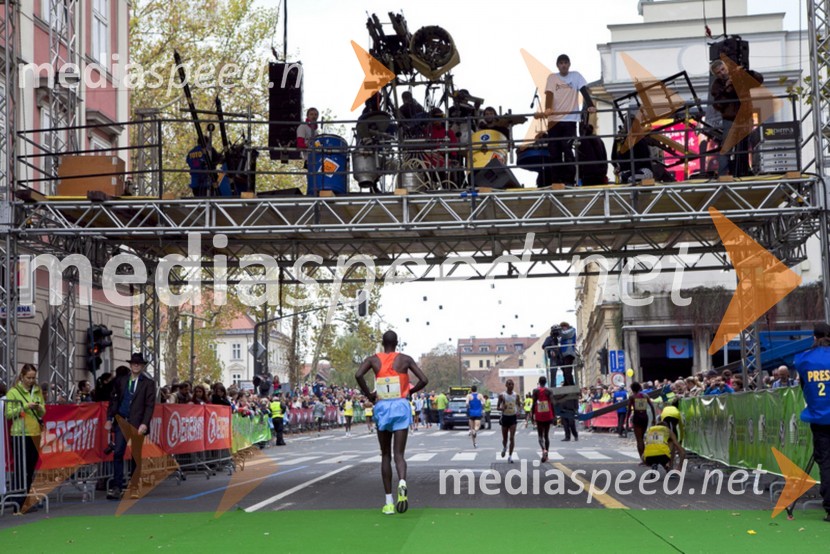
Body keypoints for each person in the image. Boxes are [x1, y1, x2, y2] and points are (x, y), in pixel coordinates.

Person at [355, 330, 428, 515]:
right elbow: (424, 380)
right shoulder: (405, 359)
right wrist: (410, 392)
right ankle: (402, 482)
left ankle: (388, 502)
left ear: (382, 342)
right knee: (399, 454)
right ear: (397, 343)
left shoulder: (373, 360)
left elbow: (358, 375)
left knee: (385, 454)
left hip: (382, 406)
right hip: (401, 406)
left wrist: (369, 394)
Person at [105, 353, 157, 500]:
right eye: (134, 363)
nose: (136, 365)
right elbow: (113, 400)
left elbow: (149, 406)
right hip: (121, 421)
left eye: (138, 364)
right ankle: (117, 486)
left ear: (142, 366)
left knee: (135, 455)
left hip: (137, 423)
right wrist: (109, 418)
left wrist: (144, 424)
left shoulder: (148, 383)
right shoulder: (121, 381)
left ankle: (134, 486)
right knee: (118, 452)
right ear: (130, 365)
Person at [793, 322, 830, 522]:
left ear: (814, 337)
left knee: (826, 462)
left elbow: (803, 386)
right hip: (820, 416)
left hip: (820, 417)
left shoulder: (804, 359)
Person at [541, 54, 595, 185]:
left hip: (570, 120)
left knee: (567, 149)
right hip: (554, 120)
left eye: (566, 63)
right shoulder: (552, 78)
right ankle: (556, 181)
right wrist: (548, 108)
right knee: (554, 151)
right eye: (561, 63)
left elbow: (584, 91)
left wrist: (591, 105)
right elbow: (549, 93)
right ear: (557, 65)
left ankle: (569, 180)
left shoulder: (576, 76)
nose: (563, 65)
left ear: (569, 64)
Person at [709, 59, 764, 177]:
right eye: (718, 72)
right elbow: (718, 104)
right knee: (727, 147)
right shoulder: (717, 85)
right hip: (731, 119)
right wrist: (727, 88)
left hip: (745, 117)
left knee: (749, 144)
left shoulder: (738, 76)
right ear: (716, 75)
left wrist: (747, 72)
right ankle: (723, 175)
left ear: (726, 68)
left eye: (723, 69)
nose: (722, 73)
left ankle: (748, 170)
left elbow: (758, 80)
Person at [4, 364, 45, 513]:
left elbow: (43, 412)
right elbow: (8, 414)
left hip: (34, 433)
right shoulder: (13, 392)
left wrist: (39, 408)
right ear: (22, 376)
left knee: (30, 468)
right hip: (19, 434)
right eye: (29, 378)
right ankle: (18, 500)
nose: (31, 380)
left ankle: (25, 500)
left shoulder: (37, 390)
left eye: (33, 378)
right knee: (21, 469)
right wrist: (26, 407)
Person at [626, 381, 656, 463]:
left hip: (637, 417)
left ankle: (643, 459)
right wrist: (654, 418)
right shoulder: (645, 395)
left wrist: (626, 421)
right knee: (642, 438)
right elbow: (652, 406)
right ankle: (645, 456)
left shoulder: (632, 397)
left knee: (639, 440)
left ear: (632, 389)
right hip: (644, 417)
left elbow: (629, 410)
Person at [531, 376, 556, 462]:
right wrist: (554, 416)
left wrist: (532, 415)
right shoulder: (549, 391)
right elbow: (552, 403)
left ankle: (543, 449)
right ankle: (547, 454)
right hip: (548, 413)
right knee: (546, 435)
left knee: (540, 436)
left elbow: (534, 403)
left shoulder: (535, 391)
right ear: (545, 382)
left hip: (539, 413)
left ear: (539, 382)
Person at [497, 379, 521, 463]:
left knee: (512, 437)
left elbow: (519, 405)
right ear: (506, 385)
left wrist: (518, 411)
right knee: (505, 438)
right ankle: (504, 447)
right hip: (505, 417)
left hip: (513, 417)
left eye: (512, 384)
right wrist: (502, 408)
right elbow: (497, 407)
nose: (511, 385)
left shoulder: (516, 395)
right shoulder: (502, 395)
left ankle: (510, 456)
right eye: (509, 384)